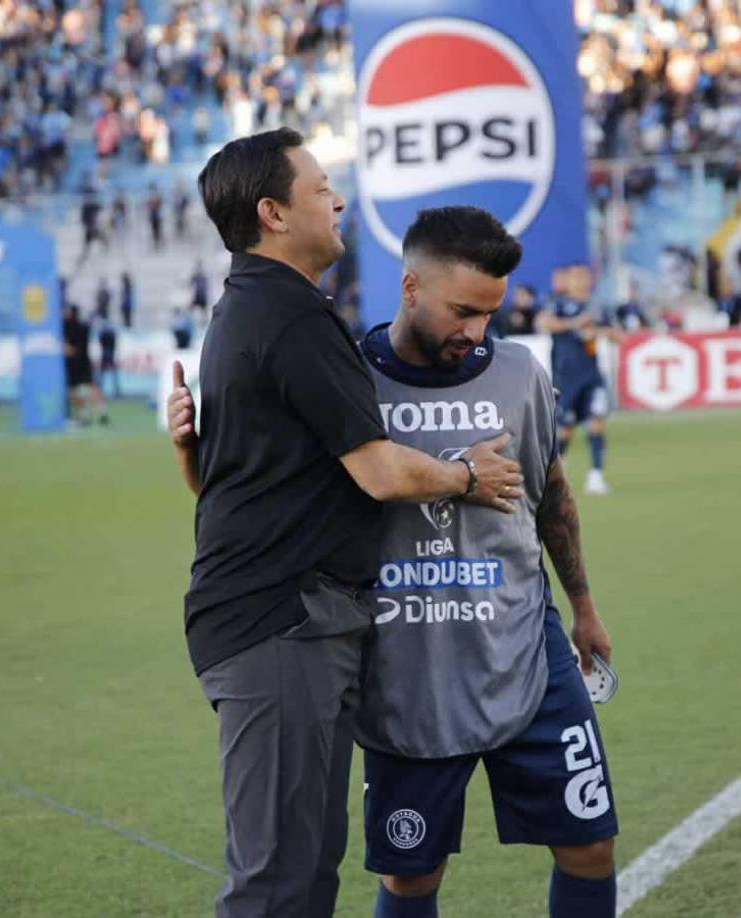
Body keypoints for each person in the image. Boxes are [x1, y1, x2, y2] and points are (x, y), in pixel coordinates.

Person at [166, 128, 523, 918]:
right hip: (280, 621)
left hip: (289, 621)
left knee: (305, 872)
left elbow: (219, 481)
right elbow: (379, 469)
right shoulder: (287, 318)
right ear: (272, 212)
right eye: (320, 187)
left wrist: (187, 447)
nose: (337, 200)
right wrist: (469, 476)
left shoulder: (252, 309)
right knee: (277, 883)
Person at [357, 207, 618, 918]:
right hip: (408, 669)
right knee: (412, 874)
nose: (476, 331)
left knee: (591, 846)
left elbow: (552, 493)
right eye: (463, 310)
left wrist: (584, 607)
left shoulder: (517, 373)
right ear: (410, 288)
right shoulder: (349, 380)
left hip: (525, 651)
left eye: (491, 313)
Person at [537, 263, 626, 496]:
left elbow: (619, 336)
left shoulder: (597, 307)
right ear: (569, 280)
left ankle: (596, 476)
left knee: (596, 422)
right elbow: (544, 323)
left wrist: (599, 331)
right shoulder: (557, 303)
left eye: (585, 277)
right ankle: (557, 474)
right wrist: (576, 323)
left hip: (591, 375)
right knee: (564, 429)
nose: (581, 281)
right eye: (576, 277)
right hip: (565, 377)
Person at [62, 305, 107, 427]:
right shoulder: (84, 327)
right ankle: (101, 411)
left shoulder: (66, 327)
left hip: (73, 364)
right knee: (91, 387)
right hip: (84, 362)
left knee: (73, 391)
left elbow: (69, 349)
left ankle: (84, 415)